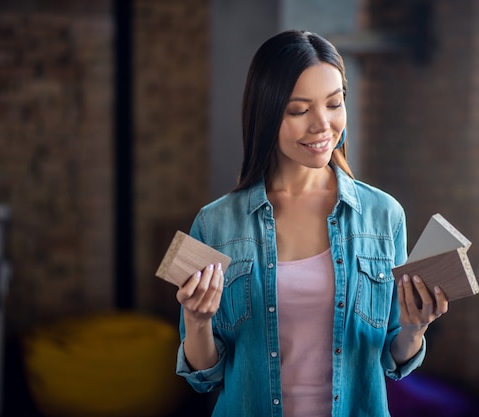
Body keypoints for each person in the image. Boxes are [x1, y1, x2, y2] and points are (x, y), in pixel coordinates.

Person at [175, 29, 448, 417]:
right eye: (299, 110)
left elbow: (393, 360)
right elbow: (203, 376)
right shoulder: (216, 222)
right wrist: (197, 320)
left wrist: (416, 328)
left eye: (334, 104)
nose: (322, 125)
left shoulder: (384, 215)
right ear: (267, 114)